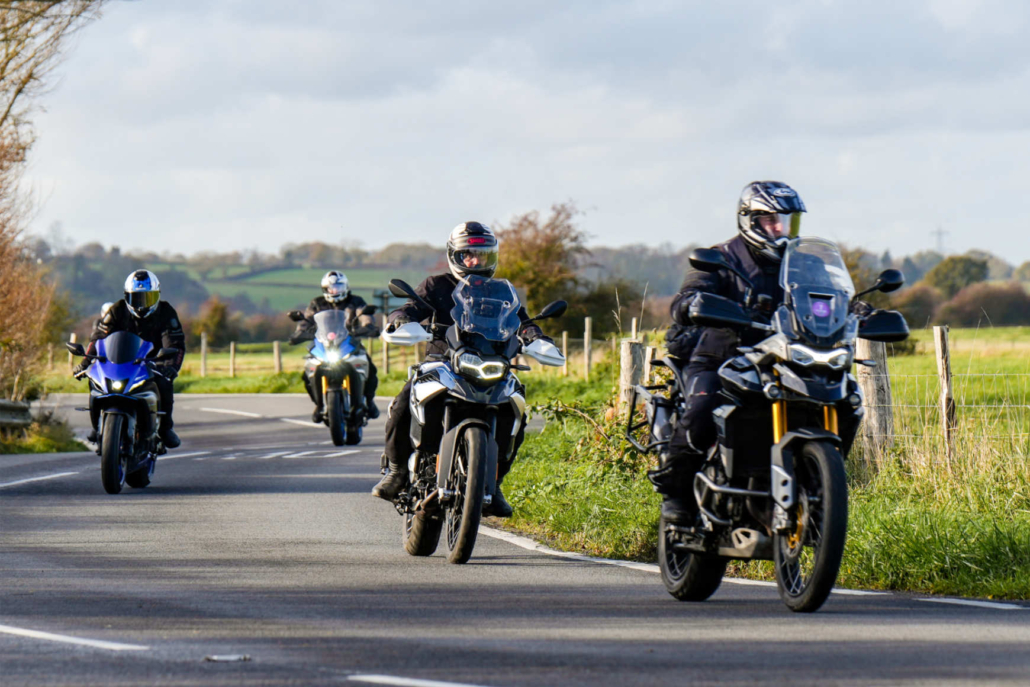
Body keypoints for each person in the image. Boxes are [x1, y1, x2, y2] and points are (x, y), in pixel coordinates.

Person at [656, 181, 863, 525]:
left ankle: (817, 486)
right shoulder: (721, 258)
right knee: (702, 408)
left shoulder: (807, 263)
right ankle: (676, 494)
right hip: (721, 356)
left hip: (786, 356)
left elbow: (837, 297)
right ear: (749, 220)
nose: (780, 229)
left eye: (787, 220)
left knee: (849, 400)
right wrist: (695, 302)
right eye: (770, 220)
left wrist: (862, 312)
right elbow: (689, 295)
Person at [370, 221, 549, 518]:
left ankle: (493, 482)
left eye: (482, 255)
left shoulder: (503, 292)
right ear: (455, 256)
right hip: (442, 362)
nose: (475, 261)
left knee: (516, 411)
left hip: (492, 363)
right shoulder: (436, 285)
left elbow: (522, 321)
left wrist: (535, 337)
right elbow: (411, 308)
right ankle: (398, 471)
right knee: (404, 400)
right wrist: (401, 319)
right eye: (468, 254)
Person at [75, 270, 185, 449]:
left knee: (165, 383)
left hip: (152, 363)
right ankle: (97, 426)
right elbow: (98, 338)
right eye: (136, 298)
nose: (141, 305)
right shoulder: (117, 310)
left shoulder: (166, 312)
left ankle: (165, 428)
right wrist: (86, 363)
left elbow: (175, 343)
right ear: (127, 297)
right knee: (94, 376)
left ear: (157, 295)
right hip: (119, 361)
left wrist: (171, 366)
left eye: (147, 298)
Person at [289, 270, 381, 422]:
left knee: (370, 367)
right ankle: (319, 404)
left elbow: (365, 316)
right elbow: (306, 320)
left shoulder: (355, 301)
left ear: (345, 287)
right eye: (331, 288)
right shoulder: (317, 303)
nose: (334, 291)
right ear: (325, 289)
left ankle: (369, 401)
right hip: (323, 344)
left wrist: (368, 326)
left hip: (349, 342)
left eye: (338, 287)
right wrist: (299, 333)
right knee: (307, 373)